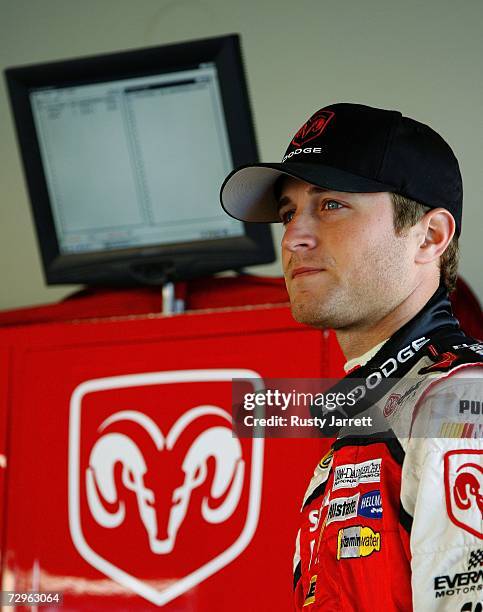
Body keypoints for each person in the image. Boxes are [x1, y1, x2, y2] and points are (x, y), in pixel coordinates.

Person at [220, 103, 483, 611]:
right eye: (288, 212)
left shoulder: (459, 403)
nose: (294, 236)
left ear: (429, 237)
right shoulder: (373, 417)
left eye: (331, 205)